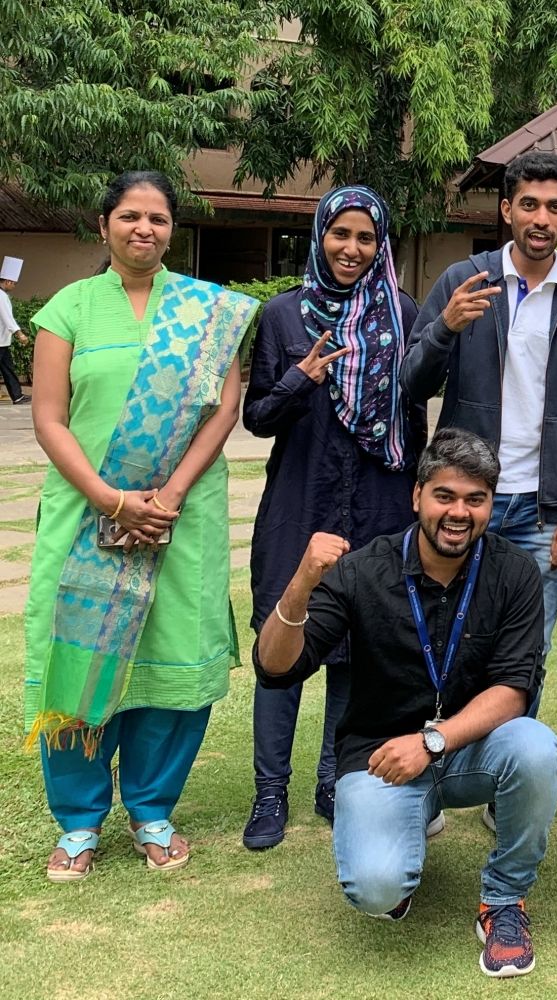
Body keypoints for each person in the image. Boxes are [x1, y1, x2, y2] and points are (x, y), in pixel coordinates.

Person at [254, 428, 557, 979]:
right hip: (379, 754)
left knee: (535, 746)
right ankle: (411, 820)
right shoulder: (362, 570)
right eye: (445, 495)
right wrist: (301, 582)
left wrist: (431, 742)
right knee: (376, 890)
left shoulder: (514, 571)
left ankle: (504, 900)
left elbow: (514, 690)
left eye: (475, 499)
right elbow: (275, 668)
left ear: (491, 504)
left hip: (465, 748)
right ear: (417, 495)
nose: (459, 512)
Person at [26, 170, 257, 881]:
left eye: (157, 218)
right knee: (80, 653)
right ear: (104, 226)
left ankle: (153, 809)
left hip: (180, 519)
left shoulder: (206, 310)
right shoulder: (68, 308)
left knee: (171, 654)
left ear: (171, 229)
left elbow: (224, 408)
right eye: (129, 216)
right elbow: (49, 418)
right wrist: (110, 499)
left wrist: (170, 494)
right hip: (85, 513)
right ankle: (78, 821)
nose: (144, 229)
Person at [241, 184, 429, 850]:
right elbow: (257, 417)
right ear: (320, 236)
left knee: (357, 647)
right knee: (281, 646)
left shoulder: (403, 314)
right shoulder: (284, 315)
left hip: (379, 503)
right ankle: (270, 791)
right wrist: (301, 378)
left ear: (381, 246)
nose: (351, 249)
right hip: (299, 504)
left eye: (365, 238)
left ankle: (332, 778)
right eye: (339, 234)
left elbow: (414, 415)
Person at [401, 150, 557, 679]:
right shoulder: (465, 280)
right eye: (529, 205)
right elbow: (412, 383)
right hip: (465, 497)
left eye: (554, 207)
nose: (541, 219)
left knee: (526, 653)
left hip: (543, 511)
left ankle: (514, 738)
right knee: (443, 639)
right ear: (507, 210)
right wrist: (445, 328)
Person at [0, 255, 31, 404]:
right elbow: (7, 317)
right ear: (8, 281)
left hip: (3, 341)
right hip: (0, 341)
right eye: (14, 283)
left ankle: (17, 396)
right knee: (8, 369)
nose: (14, 286)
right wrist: (19, 334)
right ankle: (17, 395)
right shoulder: (1, 296)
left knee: (8, 369)